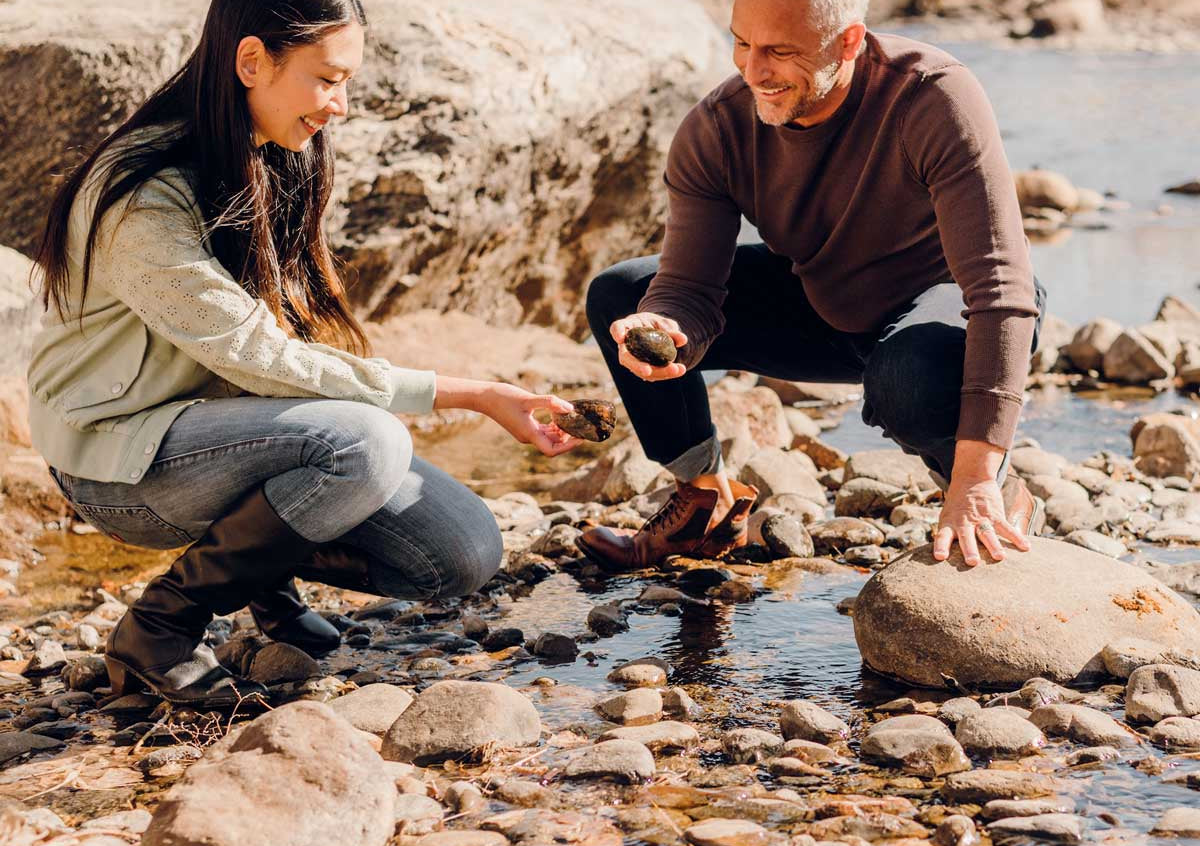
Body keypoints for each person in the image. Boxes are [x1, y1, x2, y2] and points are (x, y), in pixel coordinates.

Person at [27, 0, 580, 708]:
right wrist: (473, 393)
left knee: (464, 551)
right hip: (115, 460)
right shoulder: (143, 195)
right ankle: (160, 629)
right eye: (327, 79)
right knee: (365, 443)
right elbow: (258, 356)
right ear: (252, 61)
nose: (341, 106)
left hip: (221, 436)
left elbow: (286, 340)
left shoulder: (274, 153)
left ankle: (259, 574)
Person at [578, 0, 1046, 573]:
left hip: (946, 302)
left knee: (907, 379)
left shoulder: (931, 96)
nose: (753, 71)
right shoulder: (718, 127)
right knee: (623, 294)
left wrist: (975, 475)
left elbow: (999, 288)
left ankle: (993, 488)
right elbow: (688, 288)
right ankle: (706, 503)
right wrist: (665, 326)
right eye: (742, 43)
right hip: (825, 303)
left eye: (779, 51)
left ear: (848, 42)